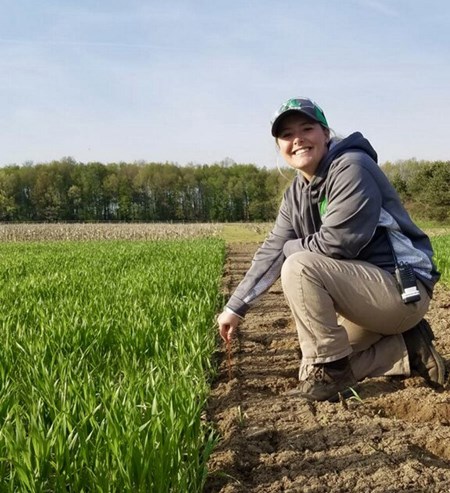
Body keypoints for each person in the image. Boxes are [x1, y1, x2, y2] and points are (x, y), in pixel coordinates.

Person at [217, 97, 445, 402]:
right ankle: (406, 348)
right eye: (286, 135)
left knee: (299, 268)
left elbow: (338, 242)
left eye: (306, 128)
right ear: (279, 147)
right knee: (310, 362)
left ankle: (332, 369)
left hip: (402, 289)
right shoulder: (295, 195)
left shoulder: (352, 167)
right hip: (368, 298)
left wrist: (290, 247)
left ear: (325, 133)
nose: (297, 139)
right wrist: (235, 308)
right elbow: (272, 249)